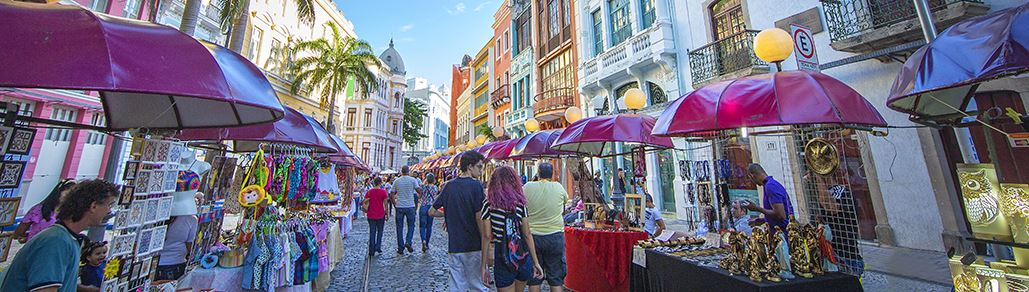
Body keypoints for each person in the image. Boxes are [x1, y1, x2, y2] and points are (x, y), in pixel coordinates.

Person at [1, 179, 117, 292]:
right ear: (94, 206)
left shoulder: (69, 238)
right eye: (109, 205)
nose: (109, 211)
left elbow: (58, 281)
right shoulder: (56, 241)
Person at [429, 151, 489, 292]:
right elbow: (479, 216)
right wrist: (485, 238)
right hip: (474, 244)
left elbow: (431, 211)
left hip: (455, 245)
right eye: (479, 167)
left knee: (456, 285)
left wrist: (448, 215)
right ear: (469, 167)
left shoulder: (449, 186)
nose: (481, 171)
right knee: (477, 285)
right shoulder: (476, 186)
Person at [481, 165, 544, 292]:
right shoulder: (520, 205)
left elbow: (487, 236)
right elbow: (527, 234)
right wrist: (536, 262)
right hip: (521, 255)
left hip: (502, 255)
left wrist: (484, 266)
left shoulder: (489, 204)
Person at [523, 162, 568, 292]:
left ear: (538, 173)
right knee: (556, 278)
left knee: (534, 276)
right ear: (552, 174)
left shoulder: (527, 187)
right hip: (554, 236)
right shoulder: (558, 187)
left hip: (533, 237)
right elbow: (565, 200)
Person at [155, 190, 201, 280]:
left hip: (152, 265)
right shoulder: (190, 219)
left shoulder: (155, 216)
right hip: (177, 263)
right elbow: (190, 245)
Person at [743, 163, 795, 232]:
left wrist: (756, 208)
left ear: (752, 176)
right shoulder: (769, 185)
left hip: (784, 234)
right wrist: (764, 220)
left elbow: (781, 215)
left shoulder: (770, 186)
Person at [391, 166, 422, 255]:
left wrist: (394, 204)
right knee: (411, 225)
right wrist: (418, 197)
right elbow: (419, 190)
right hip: (410, 206)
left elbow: (392, 193)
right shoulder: (413, 180)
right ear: (408, 171)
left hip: (400, 206)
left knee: (399, 227)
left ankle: (400, 247)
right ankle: (408, 241)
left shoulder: (397, 181)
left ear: (401, 171)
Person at [363, 177, 390, 256]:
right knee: (380, 231)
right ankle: (378, 247)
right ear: (380, 183)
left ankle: (371, 250)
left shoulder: (369, 192)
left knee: (372, 232)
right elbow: (385, 204)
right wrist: (387, 214)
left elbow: (364, 201)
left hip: (371, 214)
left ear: (374, 183)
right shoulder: (383, 192)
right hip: (380, 214)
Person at [418, 173, 440, 252]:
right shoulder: (435, 187)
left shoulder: (423, 187)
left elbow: (420, 193)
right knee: (429, 226)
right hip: (431, 207)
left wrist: (425, 181)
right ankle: (427, 243)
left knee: (422, 226)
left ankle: (423, 240)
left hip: (423, 206)